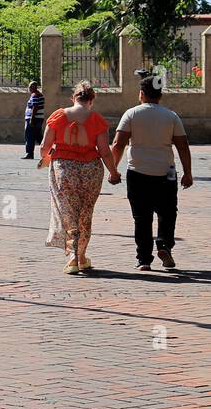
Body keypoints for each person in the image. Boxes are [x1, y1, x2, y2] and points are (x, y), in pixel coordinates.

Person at [110, 76, 194, 271]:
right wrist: (188, 173)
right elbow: (182, 146)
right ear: (160, 95)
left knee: (142, 217)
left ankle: (144, 260)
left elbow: (118, 143)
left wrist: (113, 170)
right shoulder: (171, 116)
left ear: (141, 94)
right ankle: (164, 244)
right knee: (168, 213)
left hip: (137, 172)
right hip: (166, 173)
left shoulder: (131, 114)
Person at [38, 81, 121, 275]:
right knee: (85, 213)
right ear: (91, 100)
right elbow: (105, 152)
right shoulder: (98, 120)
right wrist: (114, 172)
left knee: (68, 213)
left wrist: (47, 160)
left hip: (64, 169)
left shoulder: (58, 116)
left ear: (73, 98)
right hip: (91, 170)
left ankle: (74, 258)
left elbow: (44, 146)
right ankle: (81, 256)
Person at [23, 81, 45, 159]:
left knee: (29, 136)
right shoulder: (40, 95)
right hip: (38, 119)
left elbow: (34, 107)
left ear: (33, 88)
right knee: (38, 136)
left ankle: (29, 153)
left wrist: (32, 119)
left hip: (33, 119)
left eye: (29, 87)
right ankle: (48, 151)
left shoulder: (35, 95)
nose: (29, 89)